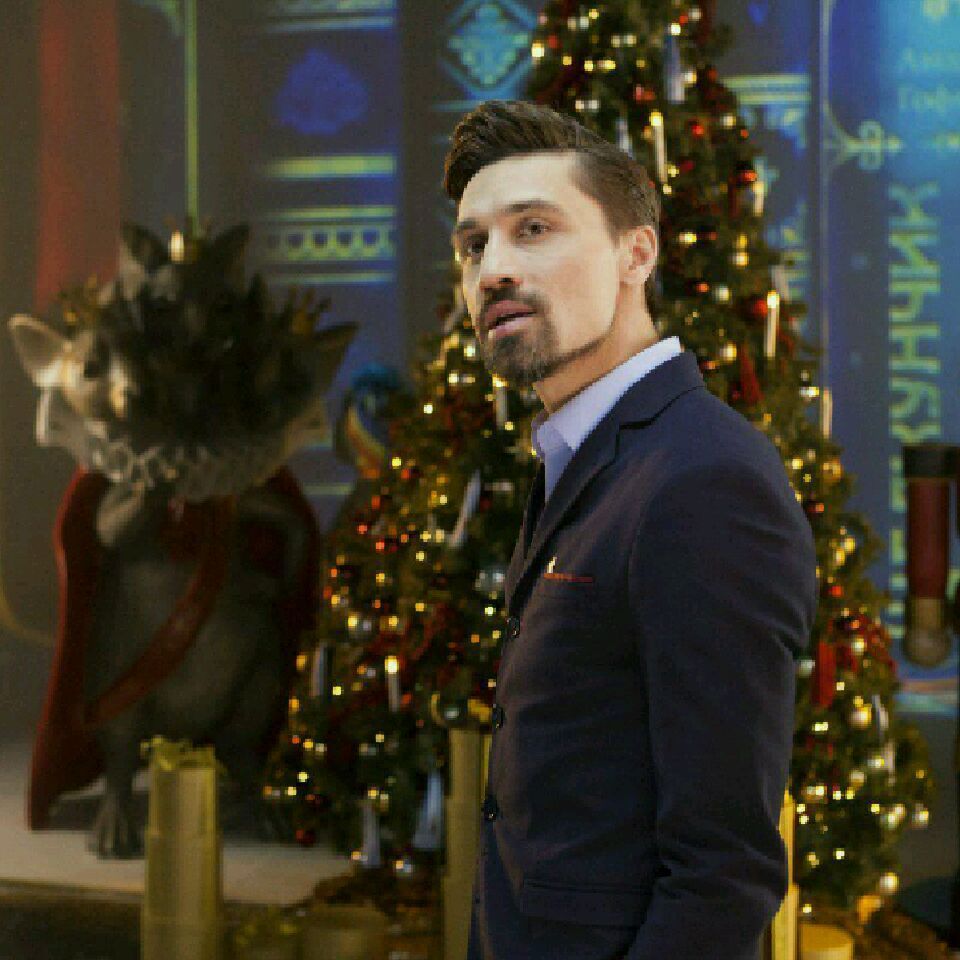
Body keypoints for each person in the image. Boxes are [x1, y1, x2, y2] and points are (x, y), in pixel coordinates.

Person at [442, 99, 819, 960]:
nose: (493, 270)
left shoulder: (704, 479)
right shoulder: (577, 453)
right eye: (472, 245)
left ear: (636, 253)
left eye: (533, 229)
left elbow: (723, 874)